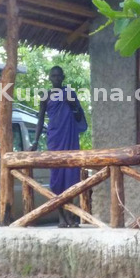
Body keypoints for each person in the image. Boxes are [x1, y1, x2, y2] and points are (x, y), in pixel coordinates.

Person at [31, 66, 87, 227]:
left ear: (63, 77)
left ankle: (70, 216)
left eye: (58, 76)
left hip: (70, 139)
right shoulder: (46, 96)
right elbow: (40, 120)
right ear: (49, 78)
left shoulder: (70, 94)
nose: (56, 78)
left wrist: (72, 104)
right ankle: (61, 217)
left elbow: (79, 117)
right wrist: (35, 142)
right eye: (53, 76)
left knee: (71, 177)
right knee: (56, 179)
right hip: (55, 139)